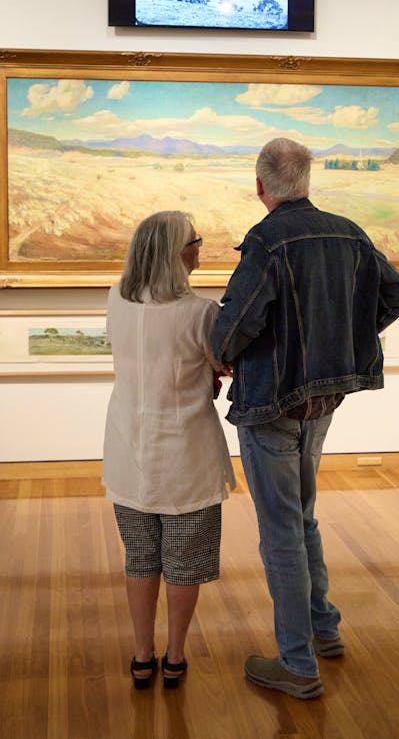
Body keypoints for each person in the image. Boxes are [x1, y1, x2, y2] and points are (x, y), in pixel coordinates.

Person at [211, 137, 399, 699]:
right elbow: (392, 293)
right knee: (304, 516)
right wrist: (350, 336)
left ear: (261, 185)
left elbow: (237, 321)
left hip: (272, 402)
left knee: (281, 534)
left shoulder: (266, 241)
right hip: (324, 400)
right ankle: (323, 628)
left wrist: (222, 351)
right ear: (308, 181)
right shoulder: (350, 232)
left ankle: (297, 664)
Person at [102, 210, 235, 690]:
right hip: (186, 456)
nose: (201, 247)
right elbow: (226, 364)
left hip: (127, 451)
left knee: (140, 557)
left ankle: (142, 656)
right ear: (175, 255)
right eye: (195, 241)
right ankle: (175, 657)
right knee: (185, 561)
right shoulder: (202, 313)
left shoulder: (116, 297)